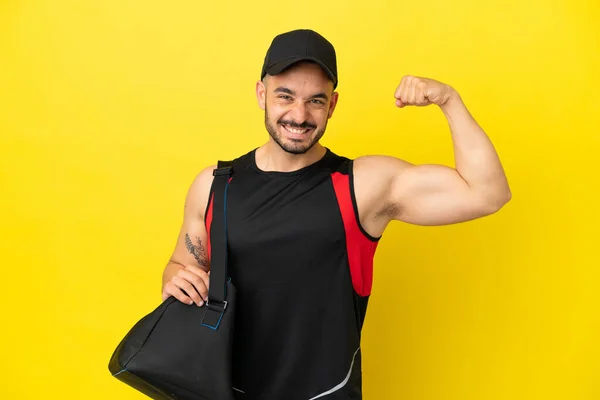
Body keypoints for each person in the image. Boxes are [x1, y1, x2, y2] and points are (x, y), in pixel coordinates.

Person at [160, 29, 511, 399]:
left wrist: (449, 101)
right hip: (223, 390)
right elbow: (181, 266)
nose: (299, 115)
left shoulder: (362, 186)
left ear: (333, 104)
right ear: (262, 94)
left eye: (315, 100)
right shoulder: (216, 185)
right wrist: (175, 280)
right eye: (285, 96)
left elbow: (488, 194)